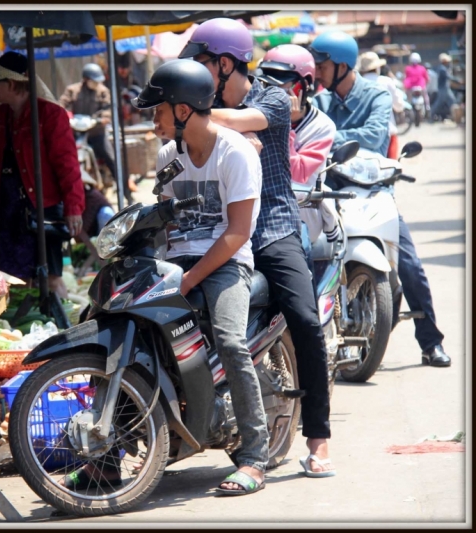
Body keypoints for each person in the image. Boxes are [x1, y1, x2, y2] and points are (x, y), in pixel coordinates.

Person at [180, 17, 336, 478]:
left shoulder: (271, 92)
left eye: (201, 64)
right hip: (211, 227)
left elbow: (241, 120)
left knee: (306, 321)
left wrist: (206, 119)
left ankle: (319, 437)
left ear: (225, 64)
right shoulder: (200, 99)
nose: (194, 74)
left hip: (273, 225)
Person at [141, 59, 268, 495]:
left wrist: (191, 278)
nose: (153, 119)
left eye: (158, 110)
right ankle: (110, 454)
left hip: (225, 264)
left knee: (231, 342)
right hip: (176, 263)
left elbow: (236, 234)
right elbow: (161, 215)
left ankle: (254, 457)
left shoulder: (234, 153)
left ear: (182, 110)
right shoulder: (167, 155)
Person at [312, 32, 451, 368]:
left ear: (342, 65)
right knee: (309, 257)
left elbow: (375, 135)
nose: (316, 71)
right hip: (331, 192)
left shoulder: (376, 94)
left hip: (374, 192)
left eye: (322, 64)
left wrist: (327, 137)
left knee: (411, 267)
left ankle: (430, 342)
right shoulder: (319, 101)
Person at [0, 51, 85, 299]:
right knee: (14, 276)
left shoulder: (50, 115)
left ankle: (58, 324)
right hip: (10, 208)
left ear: (11, 83)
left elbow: (67, 164)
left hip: (44, 206)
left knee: (52, 276)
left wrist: (74, 206)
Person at [257, 45, 340, 246]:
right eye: (267, 85)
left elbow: (299, 173)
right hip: (258, 207)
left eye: (284, 87)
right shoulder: (254, 115)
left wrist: (283, 125)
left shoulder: (321, 126)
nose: (275, 95)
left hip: (300, 212)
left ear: (305, 86)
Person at [59, 63, 117, 191]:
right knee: (61, 156)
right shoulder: (72, 90)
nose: (96, 83)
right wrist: (66, 116)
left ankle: (125, 192)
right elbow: (61, 105)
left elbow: (108, 109)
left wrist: (103, 118)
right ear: (85, 79)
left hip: (96, 133)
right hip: (76, 132)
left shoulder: (103, 91)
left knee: (111, 158)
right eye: (94, 81)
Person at [359, 51, 404, 159]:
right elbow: (399, 106)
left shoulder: (358, 84)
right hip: (388, 133)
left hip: (364, 138)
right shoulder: (386, 82)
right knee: (392, 169)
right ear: (377, 67)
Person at [430, 53, 455, 122]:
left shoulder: (442, 68)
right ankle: (431, 115)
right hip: (442, 89)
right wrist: (458, 80)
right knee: (439, 103)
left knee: (452, 101)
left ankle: (453, 115)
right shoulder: (442, 69)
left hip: (445, 88)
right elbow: (448, 77)